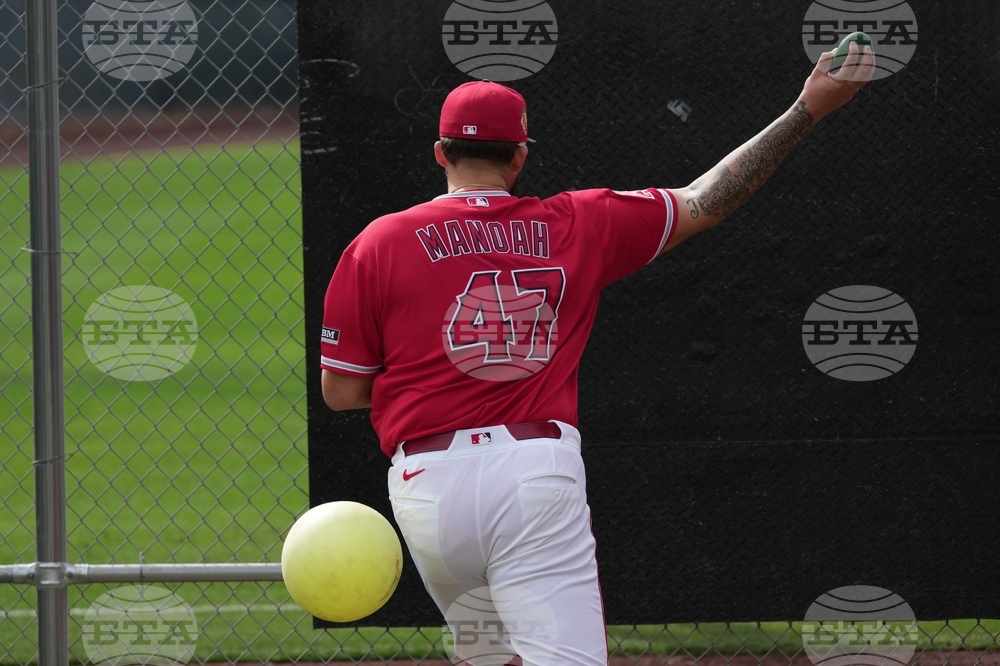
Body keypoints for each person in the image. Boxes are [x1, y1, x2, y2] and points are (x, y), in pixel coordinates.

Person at [320, 43, 875, 666]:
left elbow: (342, 391)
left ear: (441, 153)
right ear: (521, 156)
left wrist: (430, 374)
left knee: (491, 657)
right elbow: (707, 199)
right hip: (533, 476)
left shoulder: (379, 241)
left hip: (426, 490)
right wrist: (808, 108)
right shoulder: (577, 222)